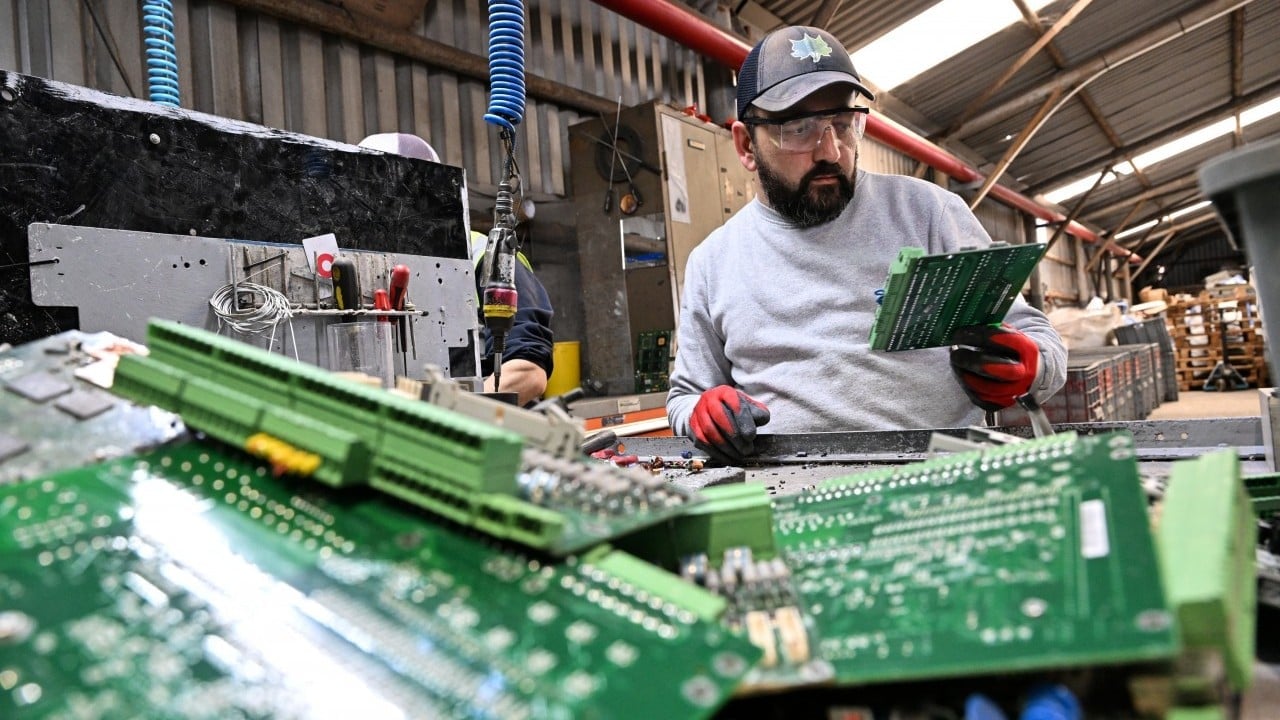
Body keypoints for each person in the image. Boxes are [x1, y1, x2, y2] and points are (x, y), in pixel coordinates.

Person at [665, 27, 1066, 464]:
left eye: (843, 124)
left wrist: (1030, 367)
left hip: (940, 481)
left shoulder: (928, 213)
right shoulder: (713, 261)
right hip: (791, 494)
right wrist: (702, 414)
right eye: (799, 128)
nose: (831, 151)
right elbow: (686, 396)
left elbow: (1039, 341)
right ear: (746, 145)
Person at [358, 133, 554, 406]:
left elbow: (528, 372)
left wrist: (454, 417)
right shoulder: (362, 268)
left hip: (483, 435)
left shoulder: (485, 256)